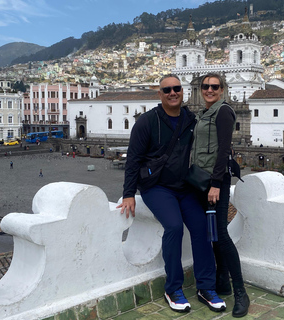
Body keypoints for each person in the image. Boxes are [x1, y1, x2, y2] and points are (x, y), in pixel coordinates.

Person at [117, 74, 226, 314]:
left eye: (177, 88)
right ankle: (173, 288)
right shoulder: (147, 122)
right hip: (156, 187)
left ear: (183, 91)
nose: (173, 93)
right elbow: (133, 159)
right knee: (174, 227)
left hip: (185, 187)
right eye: (167, 90)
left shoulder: (191, 119)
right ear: (160, 94)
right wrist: (128, 194)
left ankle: (206, 287)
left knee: (201, 228)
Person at [191, 73, 250, 317]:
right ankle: (222, 281)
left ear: (223, 89)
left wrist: (216, 183)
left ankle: (240, 292)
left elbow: (224, 148)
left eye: (214, 86)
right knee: (212, 233)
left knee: (221, 235)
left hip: (216, 182)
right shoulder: (204, 113)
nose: (209, 89)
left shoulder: (223, 111)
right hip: (201, 179)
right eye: (205, 86)